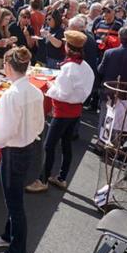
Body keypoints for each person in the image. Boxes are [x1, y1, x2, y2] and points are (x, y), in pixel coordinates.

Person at [0, 47, 44, 253]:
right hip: (27, 148)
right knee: (14, 200)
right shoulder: (34, 91)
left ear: (8, 66)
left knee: (14, 203)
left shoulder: (12, 95)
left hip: (14, 151)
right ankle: (8, 237)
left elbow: (3, 132)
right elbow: (37, 124)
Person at [26, 31, 93, 193]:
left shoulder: (69, 67)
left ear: (67, 46)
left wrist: (50, 88)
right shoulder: (85, 66)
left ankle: (43, 180)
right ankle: (62, 177)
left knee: (49, 146)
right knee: (66, 144)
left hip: (63, 112)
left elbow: (62, 93)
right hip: (75, 111)